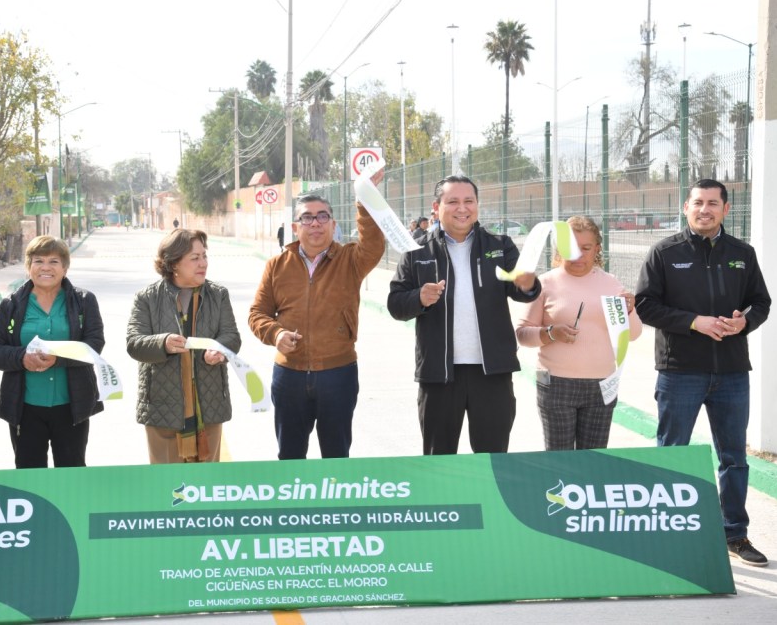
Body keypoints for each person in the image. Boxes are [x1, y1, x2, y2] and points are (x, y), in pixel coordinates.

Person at [636, 178, 772, 567]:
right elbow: (646, 305)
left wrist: (743, 323)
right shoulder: (664, 252)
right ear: (686, 207)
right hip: (680, 371)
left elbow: (760, 302)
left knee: (733, 458)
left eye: (713, 203)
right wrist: (695, 322)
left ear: (725, 209)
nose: (704, 210)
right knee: (672, 454)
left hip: (731, 372)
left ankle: (735, 534)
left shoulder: (742, 254)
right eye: (697, 202)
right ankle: (666, 536)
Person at [387, 175, 540, 455]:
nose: (462, 208)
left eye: (469, 201)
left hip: (492, 372)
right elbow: (396, 304)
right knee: (439, 460)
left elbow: (523, 291)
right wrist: (419, 298)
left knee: (492, 458)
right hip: (439, 374)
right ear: (436, 207)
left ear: (477, 205)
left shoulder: (499, 245)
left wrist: (527, 284)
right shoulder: (417, 250)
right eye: (453, 201)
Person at [249, 170, 386, 459]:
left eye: (323, 217)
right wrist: (276, 334)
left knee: (336, 457)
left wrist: (364, 199)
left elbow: (374, 245)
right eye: (307, 218)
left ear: (333, 225)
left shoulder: (350, 260)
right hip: (289, 376)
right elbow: (258, 313)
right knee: (290, 457)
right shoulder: (277, 265)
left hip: (338, 374)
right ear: (295, 227)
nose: (315, 223)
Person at [515, 215, 642, 450]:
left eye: (586, 248)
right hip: (555, 383)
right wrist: (551, 333)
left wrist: (630, 310)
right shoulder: (544, 283)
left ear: (597, 249)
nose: (578, 255)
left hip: (602, 384)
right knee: (560, 459)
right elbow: (522, 334)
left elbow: (633, 334)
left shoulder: (611, 284)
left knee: (593, 461)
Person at [0, 236, 105, 468]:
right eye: (38, 261)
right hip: (25, 407)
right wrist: (22, 358)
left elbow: (94, 344)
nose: (46, 267)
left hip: (72, 407)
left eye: (54, 261)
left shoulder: (84, 301)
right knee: (29, 474)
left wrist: (58, 359)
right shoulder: (11, 304)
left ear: (65, 268)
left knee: (71, 473)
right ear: (28, 266)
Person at [127, 229, 241, 463]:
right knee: (166, 481)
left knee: (207, 480)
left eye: (204, 256)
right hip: (162, 406)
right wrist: (163, 343)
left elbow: (231, 336)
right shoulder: (147, 298)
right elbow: (134, 343)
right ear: (173, 264)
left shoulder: (218, 295)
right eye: (195, 258)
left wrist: (220, 351)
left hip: (209, 405)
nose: (203, 263)